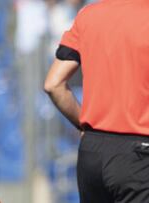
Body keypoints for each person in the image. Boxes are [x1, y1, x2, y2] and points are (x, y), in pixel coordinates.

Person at [44, 0, 149, 203]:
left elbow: (53, 84)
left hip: (92, 152)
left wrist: (83, 125)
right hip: (140, 155)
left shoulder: (88, 14)